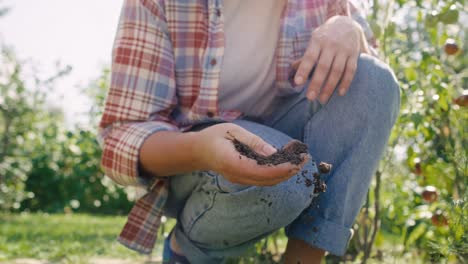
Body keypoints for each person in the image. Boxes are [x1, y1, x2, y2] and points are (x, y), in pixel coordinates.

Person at [97, 0, 400, 263]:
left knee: (374, 78)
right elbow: (123, 136)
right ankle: (189, 252)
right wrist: (202, 150)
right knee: (286, 182)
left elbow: (371, 105)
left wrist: (348, 27)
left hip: (285, 133)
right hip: (192, 161)